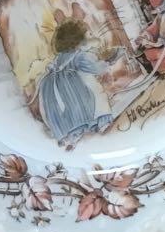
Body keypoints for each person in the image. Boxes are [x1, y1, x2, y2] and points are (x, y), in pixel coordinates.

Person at [36, 10, 119, 147]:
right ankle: (101, 123)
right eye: (88, 34)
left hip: (59, 91)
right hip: (76, 87)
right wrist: (108, 62)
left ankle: (73, 134)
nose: (91, 36)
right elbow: (96, 68)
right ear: (78, 39)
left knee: (70, 109)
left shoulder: (60, 57)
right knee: (95, 97)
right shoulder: (80, 55)